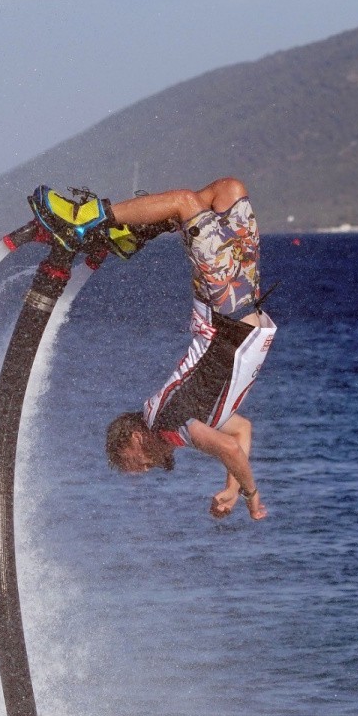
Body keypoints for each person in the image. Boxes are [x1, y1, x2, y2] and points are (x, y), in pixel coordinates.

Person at [86, 177, 275, 521]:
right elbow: (240, 430)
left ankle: (91, 219)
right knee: (229, 190)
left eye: (132, 462)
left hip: (224, 311)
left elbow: (230, 448)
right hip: (242, 301)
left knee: (185, 203)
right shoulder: (182, 420)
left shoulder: (166, 424)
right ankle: (149, 222)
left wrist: (250, 494)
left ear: (132, 437)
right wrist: (231, 487)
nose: (143, 469)